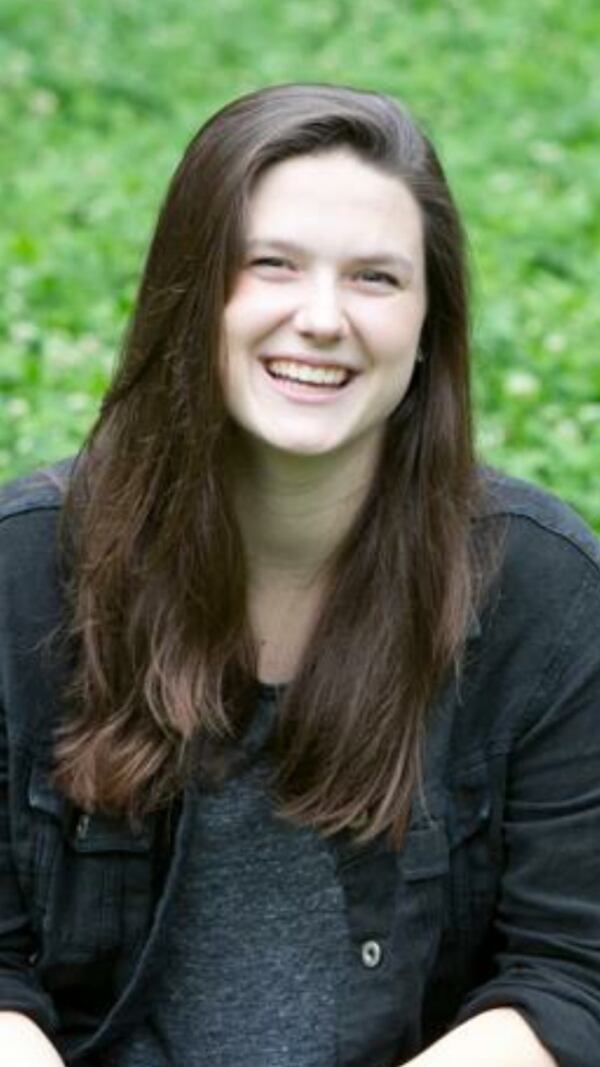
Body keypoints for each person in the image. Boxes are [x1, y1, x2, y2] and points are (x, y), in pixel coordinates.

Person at [0, 83, 599, 1067]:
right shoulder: (20, 570)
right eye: (271, 264)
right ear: (191, 291)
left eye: (375, 278)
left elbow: (572, 973)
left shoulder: (544, 592)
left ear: (429, 321)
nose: (322, 318)